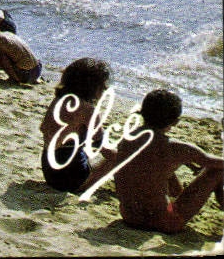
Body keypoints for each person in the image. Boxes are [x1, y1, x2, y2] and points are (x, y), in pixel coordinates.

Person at [90, 89, 224, 233]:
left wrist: (186, 161)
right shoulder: (176, 148)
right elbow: (214, 162)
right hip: (165, 221)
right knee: (216, 171)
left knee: (154, 167)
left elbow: (150, 157)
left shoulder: (127, 140)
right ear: (176, 121)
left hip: (129, 217)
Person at [40, 58, 117, 195]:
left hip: (49, 172)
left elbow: (43, 128)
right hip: (69, 178)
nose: (105, 89)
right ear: (92, 86)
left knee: (82, 146)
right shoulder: (88, 110)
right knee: (117, 158)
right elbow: (107, 152)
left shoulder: (59, 100)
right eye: (103, 86)